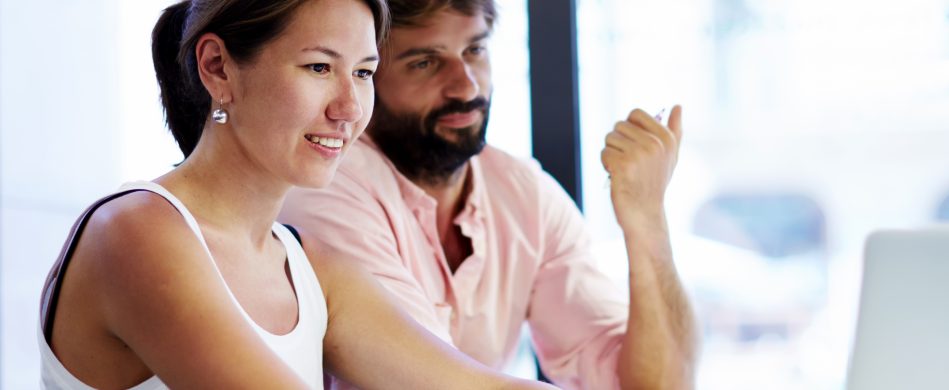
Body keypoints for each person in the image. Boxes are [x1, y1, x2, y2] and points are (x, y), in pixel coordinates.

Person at [38, 0, 555, 388]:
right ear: (217, 66)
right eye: (319, 67)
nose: (350, 108)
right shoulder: (135, 233)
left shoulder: (311, 268)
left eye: (364, 72)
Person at [279, 1, 699, 388]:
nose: (464, 86)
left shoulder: (524, 194)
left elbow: (652, 383)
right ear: (367, 75)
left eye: (475, 50)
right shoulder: (328, 186)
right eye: (425, 62)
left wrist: (647, 221)